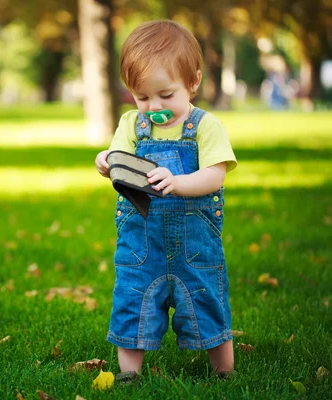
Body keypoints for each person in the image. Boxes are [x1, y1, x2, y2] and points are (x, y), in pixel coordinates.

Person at [94, 20, 238, 383]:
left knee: (206, 301)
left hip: (194, 247)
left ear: (193, 83)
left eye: (166, 95)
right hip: (141, 244)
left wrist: (178, 182)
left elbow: (215, 175)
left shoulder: (206, 127)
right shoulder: (132, 124)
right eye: (142, 98)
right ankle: (129, 375)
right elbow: (121, 158)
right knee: (133, 299)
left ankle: (223, 372)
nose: (154, 107)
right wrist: (107, 161)